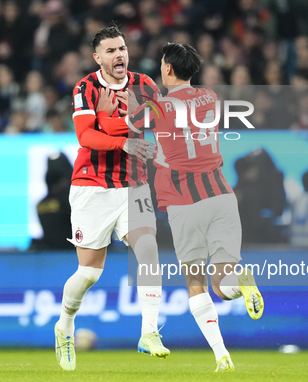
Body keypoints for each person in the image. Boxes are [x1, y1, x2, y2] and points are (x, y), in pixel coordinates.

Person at [97, 42, 264, 372]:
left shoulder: (159, 108)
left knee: (196, 284)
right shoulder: (210, 99)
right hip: (222, 196)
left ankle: (222, 356)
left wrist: (110, 109)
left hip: (185, 202)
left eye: (162, 63)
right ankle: (240, 280)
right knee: (222, 282)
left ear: (168, 69)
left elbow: (123, 127)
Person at [54, 25, 168, 372]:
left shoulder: (144, 86)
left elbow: (154, 119)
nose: (119, 54)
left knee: (148, 250)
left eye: (122, 48)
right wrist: (122, 136)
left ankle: (149, 333)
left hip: (132, 185)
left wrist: (108, 120)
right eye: (111, 51)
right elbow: (85, 136)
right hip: (92, 186)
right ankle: (65, 325)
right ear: (97, 58)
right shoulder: (85, 88)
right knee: (89, 273)